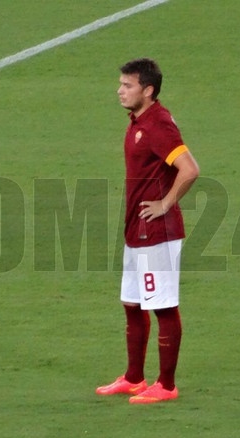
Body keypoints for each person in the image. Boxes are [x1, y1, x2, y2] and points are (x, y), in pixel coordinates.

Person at [96, 58, 199, 404]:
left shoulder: (158, 125)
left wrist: (165, 204)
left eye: (128, 85)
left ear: (148, 90)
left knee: (163, 306)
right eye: (121, 84)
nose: (120, 90)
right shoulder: (139, 121)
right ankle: (134, 378)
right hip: (136, 231)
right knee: (132, 303)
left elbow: (190, 169)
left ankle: (166, 385)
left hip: (158, 233)